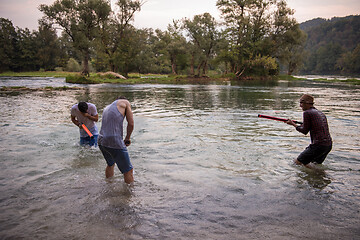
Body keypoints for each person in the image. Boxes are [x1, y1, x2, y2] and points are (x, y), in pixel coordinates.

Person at [286, 94, 332, 168]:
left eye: (302, 103)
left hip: (318, 145)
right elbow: (311, 126)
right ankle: (321, 177)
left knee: (297, 163)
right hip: (328, 145)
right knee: (314, 165)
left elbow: (304, 131)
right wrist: (299, 125)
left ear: (307, 103)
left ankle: (317, 176)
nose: (300, 105)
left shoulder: (307, 113)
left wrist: (293, 124)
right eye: (300, 103)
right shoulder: (320, 113)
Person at [98, 97, 134, 184]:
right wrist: (127, 138)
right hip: (114, 140)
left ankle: (109, 185)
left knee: (110, 164)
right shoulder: (125, 102)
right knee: (128, 170)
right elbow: (131, 123)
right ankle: (130, 195)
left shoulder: (107, 107)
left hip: (101, 140)